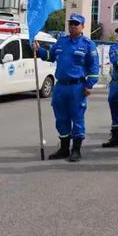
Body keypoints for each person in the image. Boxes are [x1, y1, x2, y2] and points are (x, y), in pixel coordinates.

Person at [33, 13, 99, 162]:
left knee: (77, 118)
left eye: (76, 24)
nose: (73, 26)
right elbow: (50, 55)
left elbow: (94, 66)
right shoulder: (61, 42)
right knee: (61, 118)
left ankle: (76, 150)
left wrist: (90, 85)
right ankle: (63, 149)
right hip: (61, 87)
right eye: (71, 23)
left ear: (82, 26)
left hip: (77, 87)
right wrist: (39, 50)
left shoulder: (88, 44)